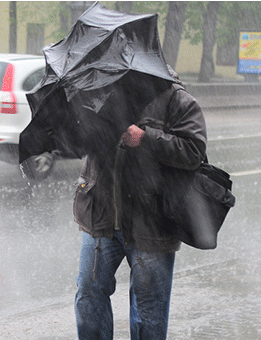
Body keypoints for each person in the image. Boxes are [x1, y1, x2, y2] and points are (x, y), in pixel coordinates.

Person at [73, 66, 207, 340]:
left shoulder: (175, 98)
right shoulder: (101, 90)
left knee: (148, 311)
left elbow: (194, 151)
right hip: (101, 215)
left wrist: (146, 139)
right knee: (88, 295)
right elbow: (78, 142)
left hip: (152, 222)